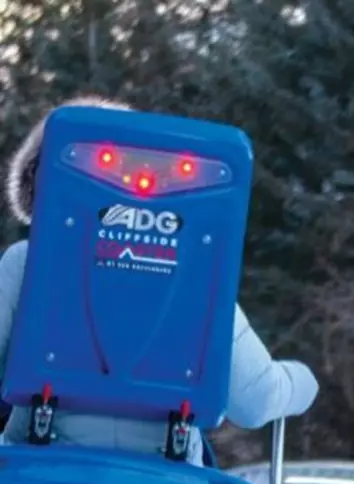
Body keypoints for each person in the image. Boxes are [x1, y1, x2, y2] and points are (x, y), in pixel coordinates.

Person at [0, 96, 319, 464]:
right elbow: (256, 399)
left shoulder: (25, 263)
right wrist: (303, 381)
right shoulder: (198, 271)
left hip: (37, 482)